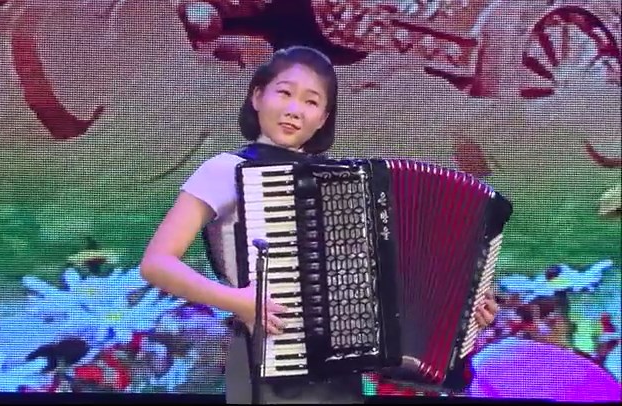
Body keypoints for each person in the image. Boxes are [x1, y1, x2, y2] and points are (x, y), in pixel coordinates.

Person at [140, 45, 499, 404]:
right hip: (263, 367)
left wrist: (461, 314)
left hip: (340, 376)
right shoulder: (223, 170)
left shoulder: (344, 184)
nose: (294, 110)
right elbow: (157, 263)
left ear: (323, 118)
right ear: (257, 96)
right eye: (284, 93)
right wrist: (237, 301)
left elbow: (382, 288)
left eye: (311, 102)